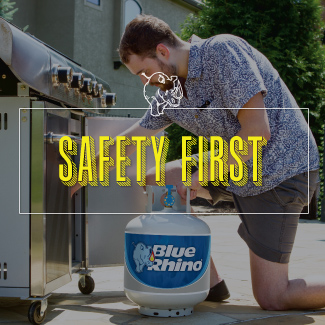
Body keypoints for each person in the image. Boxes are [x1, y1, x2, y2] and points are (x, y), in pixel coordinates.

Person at [74, 14, 324, 310]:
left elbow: (257, 133)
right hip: (237, 167)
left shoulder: (222, 53)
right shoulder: (170, 94)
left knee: (273, 296)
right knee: (157, 179)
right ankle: (208, 282)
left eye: (144, 71)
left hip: (279, 170)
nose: (145, 81)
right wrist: (77, 178)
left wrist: (198, 176)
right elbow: (130, 140)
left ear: (163, 52)